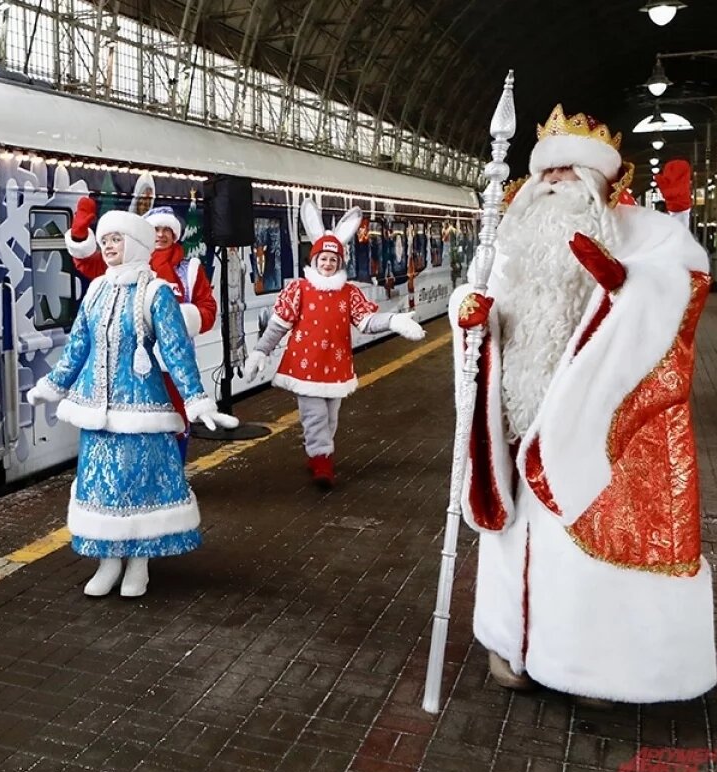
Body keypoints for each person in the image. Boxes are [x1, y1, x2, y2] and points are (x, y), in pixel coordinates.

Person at [450, 105, 717, 706]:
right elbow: (482, 298)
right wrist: (472, 319)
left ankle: (599, 667)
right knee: (517, 538)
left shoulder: (645, 232)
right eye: (547, 171)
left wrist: (624, 287)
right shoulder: (512, 239)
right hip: (518, 420)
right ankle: (512, 643)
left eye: (569, 170)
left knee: (588, 550)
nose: (554, 180)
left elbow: (683, 287)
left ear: (602, 179)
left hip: (602, 433)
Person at [28, 210, 237, 598]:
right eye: (105, 241)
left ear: (136, 244)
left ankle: (139, 563)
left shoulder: (156, 293)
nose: (108, 247)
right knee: (102, 488)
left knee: (139, 485)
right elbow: (78, 346)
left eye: (116, 240)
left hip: (142, 409)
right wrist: (52, 385)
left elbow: (176, 349)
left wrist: (197, 401)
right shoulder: (96, 290)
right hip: (97, 411)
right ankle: (108, 562)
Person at [242, 198, 425, 488]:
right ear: (314, 260)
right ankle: (322, 461)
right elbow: (279, 324)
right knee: (314, 415)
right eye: (323, 259)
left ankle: (317, 453)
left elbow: (366, 321)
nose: (327, 264)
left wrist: (393, 321)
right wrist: (260, 352)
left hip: (336, 365)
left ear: (340, 262)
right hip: (305, 366)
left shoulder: (348, 293)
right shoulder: (299, 289)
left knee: (330, 417)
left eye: (332, 260)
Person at [66, 198, 217, 464]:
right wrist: (79, 235)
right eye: (155, 229)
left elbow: (208, 309)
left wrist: (176, 321)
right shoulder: (125, 263)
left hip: (173, 364)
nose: (161, 235)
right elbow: (88, 264)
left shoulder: (189, 270)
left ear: (175, 235)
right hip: (129, 366)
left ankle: (173, 476)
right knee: (134, 426)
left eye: (167, 230)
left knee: (176, 423)